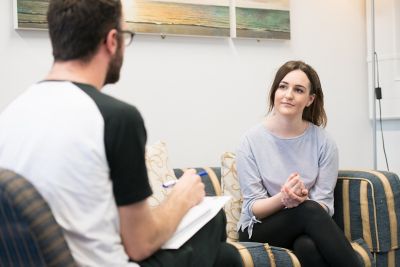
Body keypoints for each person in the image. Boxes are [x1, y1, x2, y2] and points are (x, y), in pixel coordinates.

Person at [0, 1, 242, 267]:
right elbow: (139, 244)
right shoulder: (115, 118)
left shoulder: (11, 113)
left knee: (226, 257)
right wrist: (182, 197)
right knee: (213, 221)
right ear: (112, 40)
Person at [236, 60, 361, 267]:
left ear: (310, 99)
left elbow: (325, 205)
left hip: (305, 223)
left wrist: (300, 200)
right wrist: (284, 199)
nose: (288, 95)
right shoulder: (250, 141)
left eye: (298, 90)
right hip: (259, 228)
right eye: (283, 86)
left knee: (307, 246)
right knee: (309, 210)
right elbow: (252, 207)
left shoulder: (324, 142)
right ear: (274, 92)